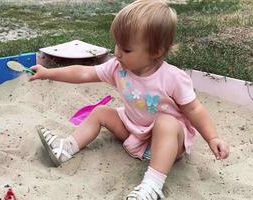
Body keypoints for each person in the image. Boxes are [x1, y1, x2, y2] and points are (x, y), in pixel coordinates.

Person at [29, 0, 229, 199]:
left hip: (169, 143)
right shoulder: (118, 68)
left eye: (126, 49)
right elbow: (83, 73)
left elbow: (194, 110)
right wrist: (49, 73)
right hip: (135, 131)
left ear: (155, 52)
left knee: (165, 122)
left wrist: (212, 138)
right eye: (117, 44)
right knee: (100, 112)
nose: (117, 52)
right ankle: (67, 147)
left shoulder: (172, 78)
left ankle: (152, 185)